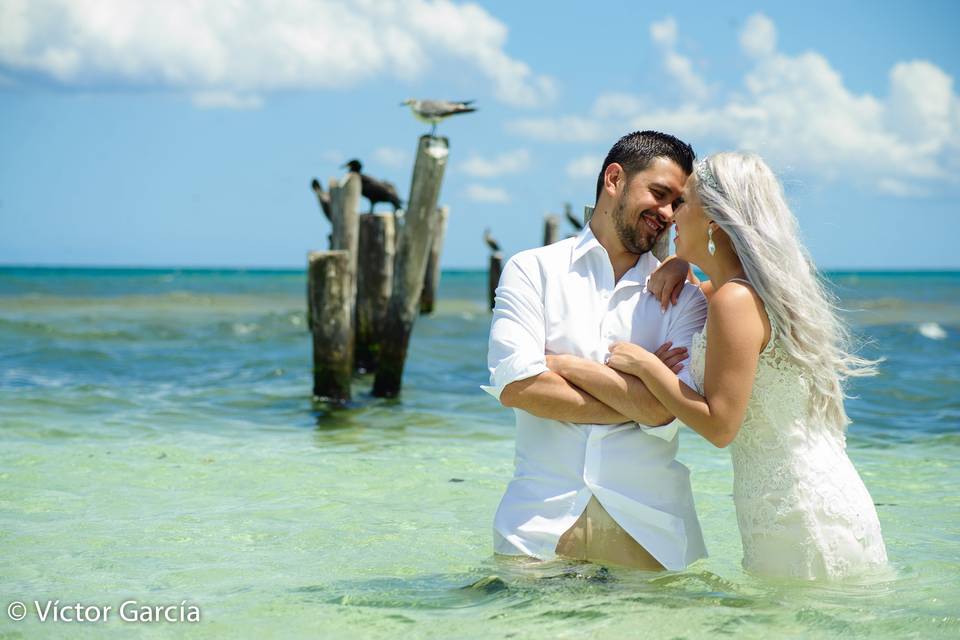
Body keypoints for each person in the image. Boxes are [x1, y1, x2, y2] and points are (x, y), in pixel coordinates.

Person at [553, 152, 888, 580]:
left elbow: (719, 426)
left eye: (684, 203)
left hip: (797, 513)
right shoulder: (746, 292)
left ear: (714, 220)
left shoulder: (733, 300)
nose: (672, 217)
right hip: (810, 499)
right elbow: (707, 292)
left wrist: (645, 367)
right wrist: (678, 263)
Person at [484, 131, 708, 571]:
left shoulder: (686, 298)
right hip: (536, 528)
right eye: (659, 194)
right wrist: (640, 397)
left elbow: (668, 412)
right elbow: (519, 388)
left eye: (676, 204)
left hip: (650, 534)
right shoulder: (532, 270)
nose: (666, 213)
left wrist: (562, 367)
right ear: (614, 179)